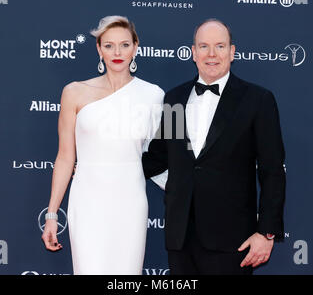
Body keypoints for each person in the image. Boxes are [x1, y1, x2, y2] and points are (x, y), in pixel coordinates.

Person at [142, 19, 286, 275]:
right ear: (193, 52)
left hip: (233, 240)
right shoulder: (175, 98)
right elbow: (158, 157)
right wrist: (103, 164)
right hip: (181, 238)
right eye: (204, 46)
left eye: (219, 46)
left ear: (232, 52)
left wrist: (266, 232)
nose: (211, 54)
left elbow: (272, 170)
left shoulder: (257, 100)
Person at [41, 15, 165, 275]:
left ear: (136, 47)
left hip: (130, 200)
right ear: (99, 49)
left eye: (124, 45)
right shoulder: (74, 92)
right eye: (108, 45)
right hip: (88, 201)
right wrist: (52, 214)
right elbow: (65, 157)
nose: (117, 52)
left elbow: (164, 157)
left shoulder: (154, 95)